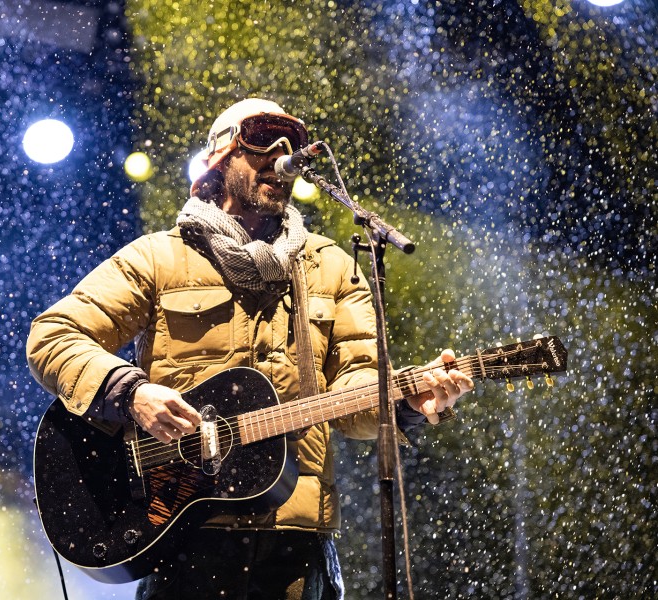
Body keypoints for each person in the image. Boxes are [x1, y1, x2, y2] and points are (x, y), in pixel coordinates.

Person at [27, 98, 474, 599]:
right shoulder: (159, 257)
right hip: (184, 535)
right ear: (222, 157)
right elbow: (54, 334)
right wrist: (131, 394)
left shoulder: (329, 265)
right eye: (264, 139)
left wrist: (405, 403)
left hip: (297, 546)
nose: (283, 155)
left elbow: (353, 402)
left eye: (294, 145)